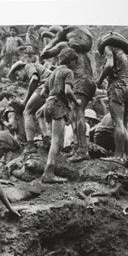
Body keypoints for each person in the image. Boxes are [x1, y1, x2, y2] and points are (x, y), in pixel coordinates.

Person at [96, 33, 128, 167]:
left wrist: (99, 80)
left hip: (118, 88)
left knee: (118, 123)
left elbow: (109, 65)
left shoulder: (109, 48)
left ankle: (118, 156)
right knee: (124, 124)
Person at [41, 47, 78, 184]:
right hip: (58, 105)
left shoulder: (53, 72)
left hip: (48, 104)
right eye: (75, 62)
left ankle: (53, 167)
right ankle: (48, 173)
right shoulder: (68, 72)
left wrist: (52, 97)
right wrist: (76, 101)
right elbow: (68, 91)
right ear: (72, 61)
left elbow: (42, 93)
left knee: (58, 141)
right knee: (56, 141)